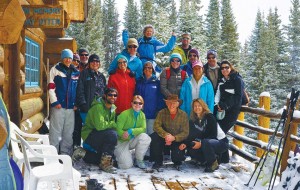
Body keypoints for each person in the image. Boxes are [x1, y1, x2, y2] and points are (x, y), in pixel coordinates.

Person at [72, 87, 118, 174]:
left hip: (99, 134)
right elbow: (100, 126)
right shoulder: (98, 107)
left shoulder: (112, 108)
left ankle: (81, 152)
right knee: (112, 134)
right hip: (90, 134)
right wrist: (113, 124)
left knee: (110, 159)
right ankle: (105, 164)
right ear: (105, 96)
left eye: (115, 95)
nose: (113, 97)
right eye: (110, 95)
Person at [179, 99, 229, 172]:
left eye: (199, 106)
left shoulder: (209, 117)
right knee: (192, 144)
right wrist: (185, 143)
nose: (197, 108)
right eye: (195, 106)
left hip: (220, 142)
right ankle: (203, 160)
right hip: (206, 143)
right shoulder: (193, 120)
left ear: (203, 107)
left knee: (205, 142)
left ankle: (213, 163)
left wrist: (200, 143)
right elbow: (191, 135)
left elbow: (213, 135)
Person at [48, 49, 80, 155]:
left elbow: (78, 90)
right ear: (62, 58)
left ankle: (65, 154)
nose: (68, 60)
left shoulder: (76, 72)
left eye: (70, 58)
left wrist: (76, 104)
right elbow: (51, 88)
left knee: (68, 132)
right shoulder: (55, 70)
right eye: (66, 58)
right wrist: (55, 102)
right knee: (55, 131)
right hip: (59, 106)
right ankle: (53, 155)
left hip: (70, 107)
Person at [74, 54, 106, 147]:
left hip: (99, 109)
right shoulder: (84, 73)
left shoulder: (101, 76)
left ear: (99, 63)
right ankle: (86, 150)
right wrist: (83, 104)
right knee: (88, 130)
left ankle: (93, 150)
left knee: (96, 129)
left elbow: (104, 92)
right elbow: (80, 90)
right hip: (87, 108)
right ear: (89, 63)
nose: (95, 63)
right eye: (92, 61)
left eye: (97, 61)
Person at [150, 94, 189, 171]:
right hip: (164, 138)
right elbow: (156, 126)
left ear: (178, 104)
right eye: (169, 103)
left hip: (176, 139)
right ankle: (158, 161)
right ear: (166, 103)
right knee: (154, 137)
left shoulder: (183, 115)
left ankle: (177, 161)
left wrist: (174, 138)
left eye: (174, 103)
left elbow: (185, 132)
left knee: (178, 157)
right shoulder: (161, 112)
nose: (171, 105)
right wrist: (166, 135)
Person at [114, 95, 151, 169]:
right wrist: (123, 134)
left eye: (140, 103)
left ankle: (139, 160)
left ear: (142, 105)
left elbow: (143, 129)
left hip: (132, 139)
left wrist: (131, 131)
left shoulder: (142, 115)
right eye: (135, 102)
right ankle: (116, 156)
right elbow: (117, 129)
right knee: (126, 166)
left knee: (145, 137)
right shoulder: (124, 114)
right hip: (122, 141)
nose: (137, 105)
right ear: (131, 103)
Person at [215, 60, 243, 134]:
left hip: (232, 112)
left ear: (230, 68)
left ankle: (223, 145)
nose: (224, 70)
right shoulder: (222, 80)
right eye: (222, 68)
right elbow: (218, 93)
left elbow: (238, 96)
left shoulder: (237, 79)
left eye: (226, 67)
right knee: (217, 132)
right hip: (221, 110)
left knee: (221, 133)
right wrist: (217, 105)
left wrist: (226, 105)